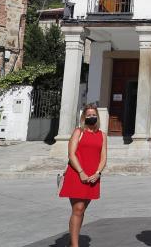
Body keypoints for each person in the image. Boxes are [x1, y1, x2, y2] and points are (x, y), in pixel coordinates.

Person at [58, 104, 107, 247]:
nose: (91, 117)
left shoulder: (102, 135)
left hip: (93, 176)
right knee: (78, 208)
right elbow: (71, 154)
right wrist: (81, 172)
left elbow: (103, 157)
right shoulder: (78, 132)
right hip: (77, 174)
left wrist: (98, 173)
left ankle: (73, 240)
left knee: (82, 209)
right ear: (83, 117)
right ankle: (74, 245)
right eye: (89, 115)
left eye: (94, 115)